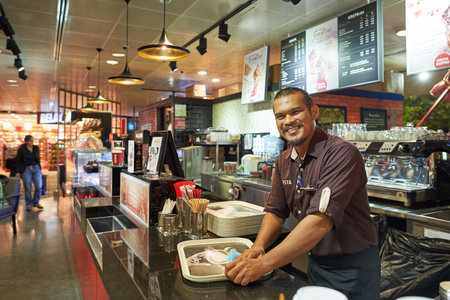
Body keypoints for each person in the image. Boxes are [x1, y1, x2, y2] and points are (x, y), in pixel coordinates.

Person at [225, 87, 380, 299]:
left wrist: (263, 264)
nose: (288, 120)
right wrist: (258, 247)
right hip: (316, 263)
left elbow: (320, 220)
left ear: (313, 112)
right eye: (280, 116)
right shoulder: (284, 160)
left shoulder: (341, 153)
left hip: (352, 268)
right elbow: (276, 211)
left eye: (295, 112)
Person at [15, 135, 44, 211]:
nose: (32, 142)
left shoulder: (36, 148)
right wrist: (18, 171)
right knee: (27, 187)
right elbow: (18, 161)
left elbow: (38, 159)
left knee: (39, 186)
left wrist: (40, 169)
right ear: (26, 141)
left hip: (36, 168)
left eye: (32, 140)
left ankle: (36, 202)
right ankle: (28, 204)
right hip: (26, 170)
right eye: (30, 141)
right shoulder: (21, 149)